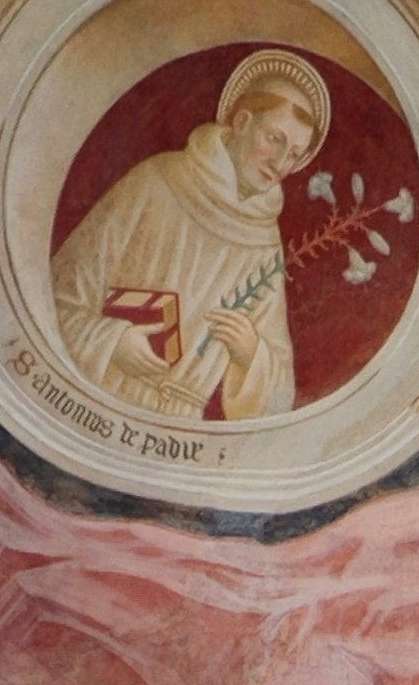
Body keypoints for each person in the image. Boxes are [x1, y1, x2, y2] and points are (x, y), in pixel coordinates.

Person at [49, 47, 330, 426]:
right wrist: (111, 340)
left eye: (295, 153)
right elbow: (54, 298)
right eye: (274, 139)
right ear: (243, 122)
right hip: (100, 403)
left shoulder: (264, 243)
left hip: (181, 433)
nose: (281, 164)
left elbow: (278, 395)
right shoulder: (156, 182)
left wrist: (251, 354)